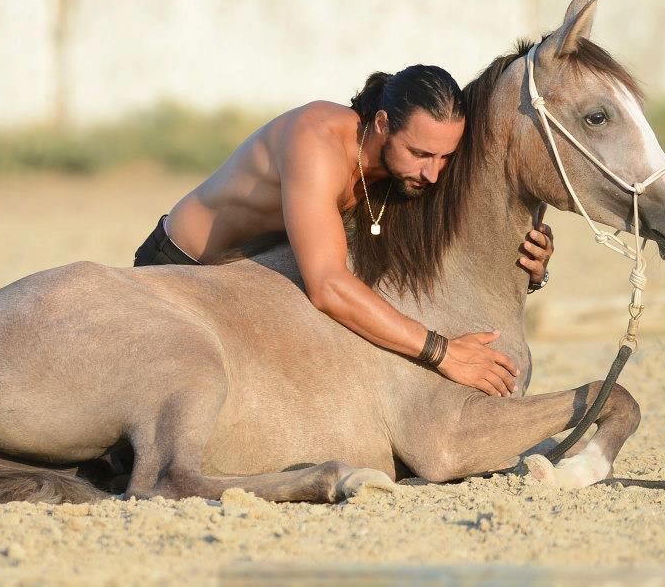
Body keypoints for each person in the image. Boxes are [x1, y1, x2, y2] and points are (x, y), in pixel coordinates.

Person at [133, 65, 554, 397]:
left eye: (445, 157)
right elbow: (328, 285)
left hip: (253, 283)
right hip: (178, 272)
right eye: (420, 153)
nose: (433, 172)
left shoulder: (405, 168)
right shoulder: (315, 144)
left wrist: (527, 264)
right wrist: (442, 353)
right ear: (384, 124)